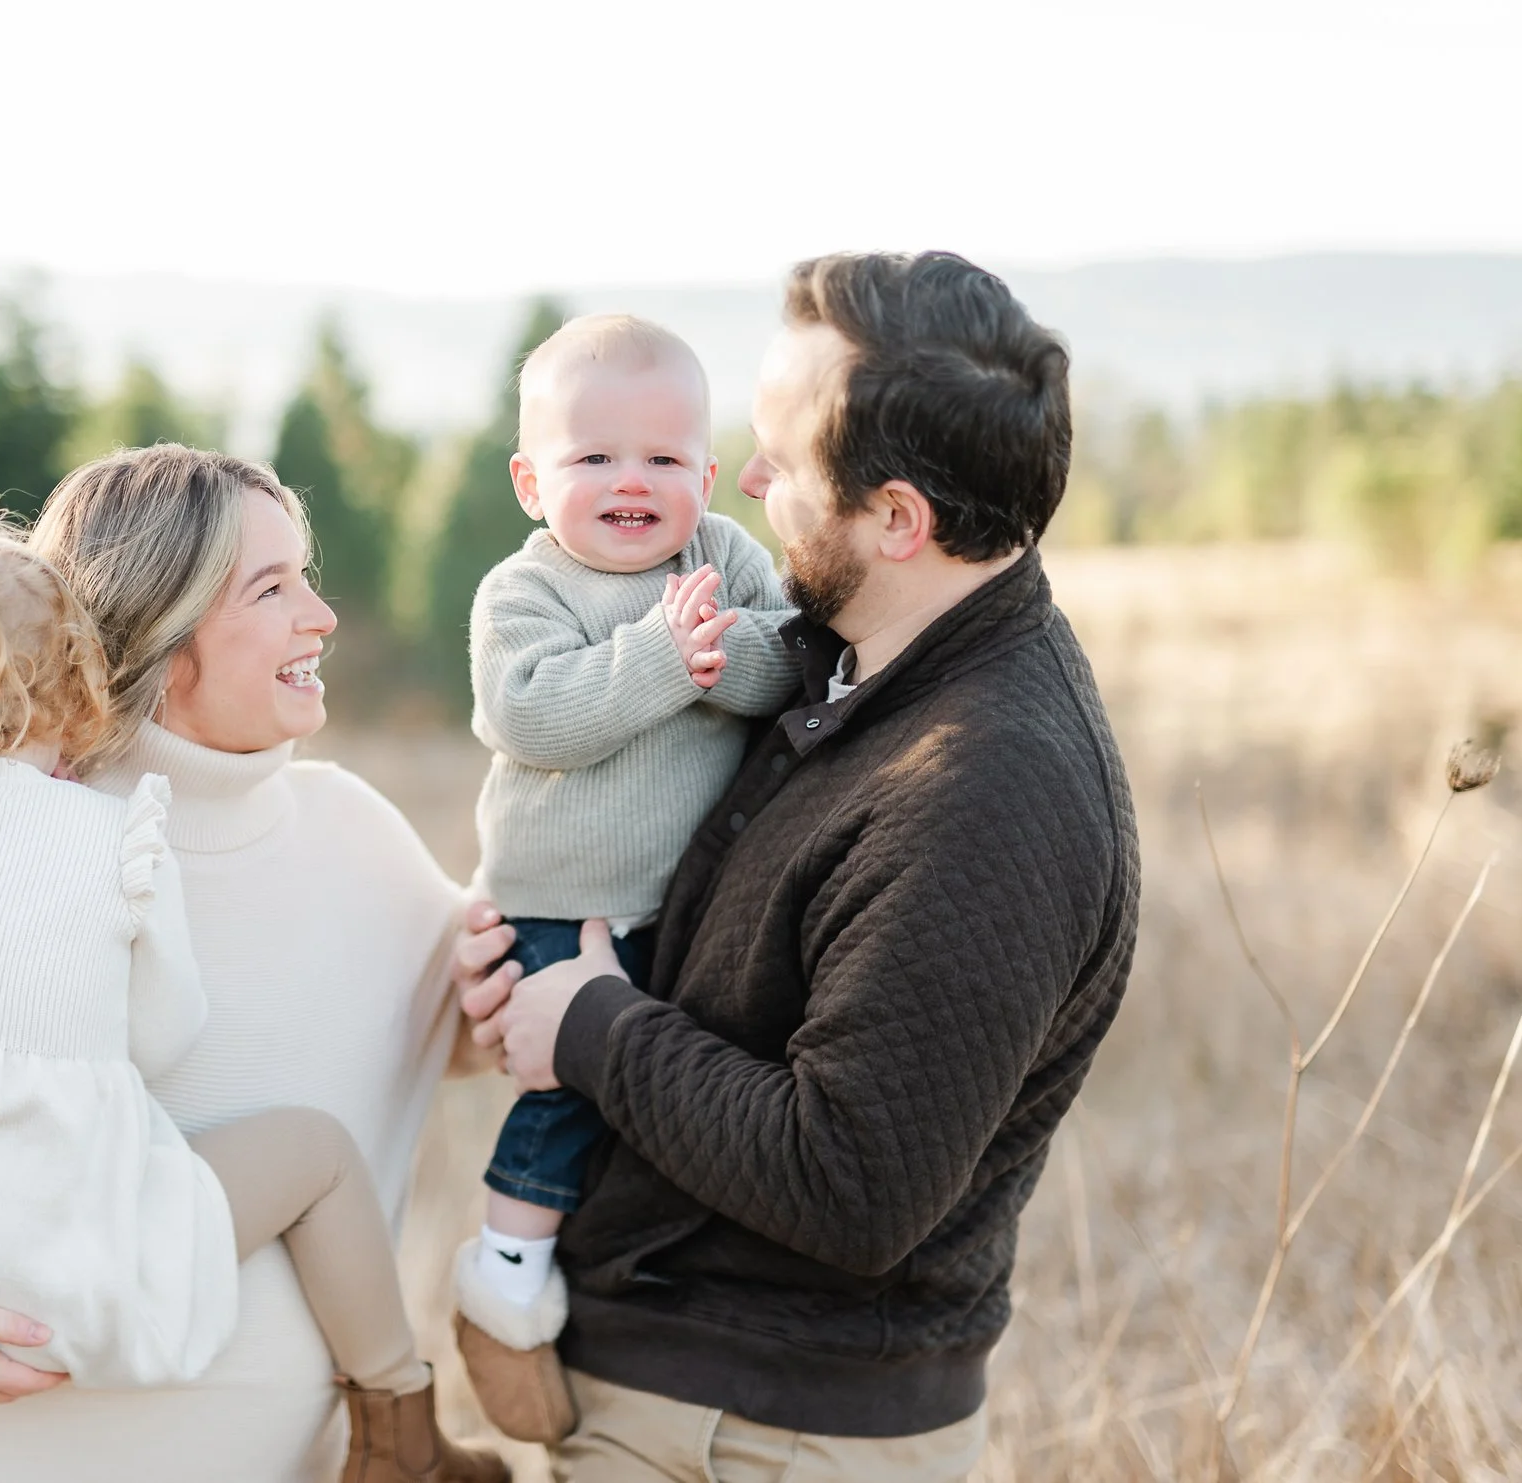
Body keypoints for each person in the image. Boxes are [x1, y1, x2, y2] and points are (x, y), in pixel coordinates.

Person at [459, 253, 1141, 1483]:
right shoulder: (858, 659)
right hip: (700, 1400)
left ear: (895, 518)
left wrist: (593, 1025)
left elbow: (850, 1183)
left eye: (779, 456)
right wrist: (537, 945)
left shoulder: (984, 790)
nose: (748, 478)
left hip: (763, 1433)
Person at [0, 446, 503, 1483]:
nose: (320, 617)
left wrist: (501, 995)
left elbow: (443, 1026)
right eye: (272, 589)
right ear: (161, 628)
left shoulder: (352, 833)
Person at [449, 314, 802, 1443]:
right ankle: (508, 1262)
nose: (629, 483)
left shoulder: (725, 558)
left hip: (692, 900)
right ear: (528, 478)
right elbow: (535, 715)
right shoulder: (524, 591)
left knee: (667, 1084)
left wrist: (712, 656)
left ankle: (631, 1274)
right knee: (564, 1086)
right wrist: (662, 658)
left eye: (661, 459)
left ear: (706, 472)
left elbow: (787, 659)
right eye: (592, 458)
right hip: (562, 899)